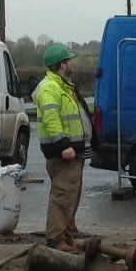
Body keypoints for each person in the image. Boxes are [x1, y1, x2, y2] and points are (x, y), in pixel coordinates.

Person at [33, 43, 90, 251]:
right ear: (62, 65)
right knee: (62, 196)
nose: (72, 63)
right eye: (69, 60)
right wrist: (63, 144)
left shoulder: (62, 85)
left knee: (69, 196)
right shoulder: (50, 88)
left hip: (72, 152)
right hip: (63, 153)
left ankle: (65, 236)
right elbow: (51, 118)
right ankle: (57, 239)